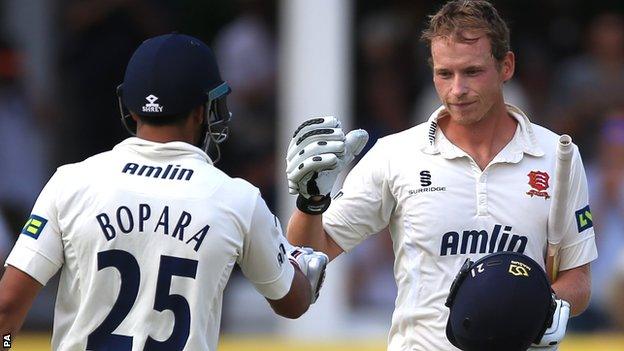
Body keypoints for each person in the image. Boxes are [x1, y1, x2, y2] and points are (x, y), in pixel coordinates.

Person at [285, 1, 597, 350]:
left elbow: (579, 279)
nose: (457, 90)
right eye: (444, 74)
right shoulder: (395, 154)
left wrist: (545, 306)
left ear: (506, 66)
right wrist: (311, 201)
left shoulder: (558, 155)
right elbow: (310, 249)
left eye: (472, 72)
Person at [0, 33, 327, 351]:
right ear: (202, 111)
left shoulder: (71, 182)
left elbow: (7, 310)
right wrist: (305, 238)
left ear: (131, 108)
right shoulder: (237, 200)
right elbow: (292, 302)